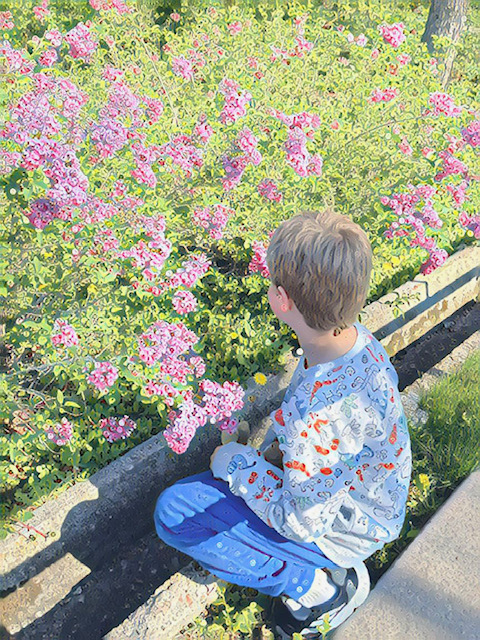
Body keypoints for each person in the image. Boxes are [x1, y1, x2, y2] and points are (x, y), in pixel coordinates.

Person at [154, 209, 412, 638]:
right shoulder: (354, 341)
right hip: (362, 498)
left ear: (281, 298)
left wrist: (235, 466)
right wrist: (272, 457)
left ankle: (320, 590)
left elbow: (302, 522)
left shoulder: (317, 420)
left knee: (175, 512)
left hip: (339, 530)